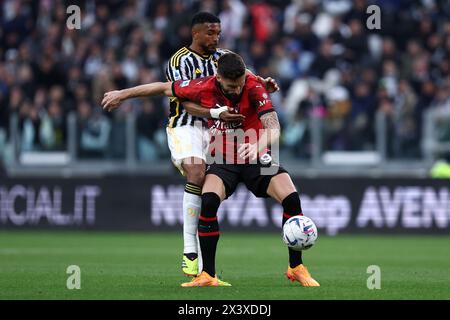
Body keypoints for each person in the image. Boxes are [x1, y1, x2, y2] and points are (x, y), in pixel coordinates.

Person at [102, 52, 320, 287]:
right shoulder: (202, 86)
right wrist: (122, 94)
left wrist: (257, 145)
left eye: (239, 85)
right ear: (218, 78)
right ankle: (208, 274)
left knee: (291, 198)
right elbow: (163, 88)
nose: (236, 90)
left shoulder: (254, 86)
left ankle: (296, 267)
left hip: (256, 154)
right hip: (223, 156)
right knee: (208, 201)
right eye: (230, 86)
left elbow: (274, 127)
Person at [105, 12, 278, 280]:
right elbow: (183, 101)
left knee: (214, 188)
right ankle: (189, 250)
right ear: (195, 33)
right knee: (197, 172)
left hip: (218, 129)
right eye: (210, 33)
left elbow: (248, 79)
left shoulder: (225, 57)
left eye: (218, 33)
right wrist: (122, 95)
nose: (215, 38)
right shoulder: (180, 60)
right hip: (186, 125)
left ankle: (207, 266)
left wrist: (264, 83)